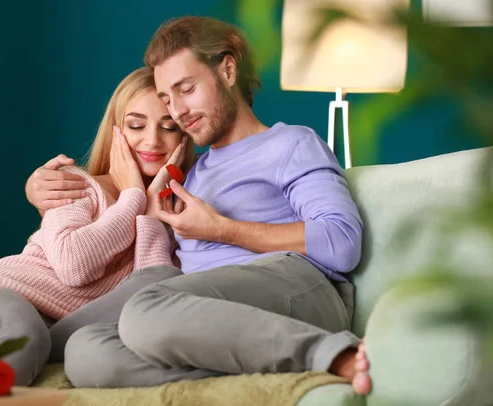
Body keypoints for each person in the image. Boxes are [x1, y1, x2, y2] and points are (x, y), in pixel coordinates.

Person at [27, 17, 372, 395]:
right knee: (86, 351)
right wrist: (44, 188)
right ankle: (272, 373)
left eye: (186, 89)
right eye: (167, 98)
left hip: (297, 289)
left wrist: (221, 228)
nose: (178, 111)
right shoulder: (189, 175)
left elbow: (342, 243)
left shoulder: (291, 144)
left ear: (227, 69)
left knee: (148, 310)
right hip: (202, 313)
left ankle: (334, 353)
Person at [0, 67, 195, 386]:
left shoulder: (175, 216)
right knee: (21, 338)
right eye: (136, 125)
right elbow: (74, 265)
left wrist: (151, 216)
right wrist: (132, 196)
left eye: (168, 127)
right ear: (116, 131)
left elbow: (150, 296)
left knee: (31, 341)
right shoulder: (77, 184)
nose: (152, 140)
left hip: (51, 332)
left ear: (185, 136)